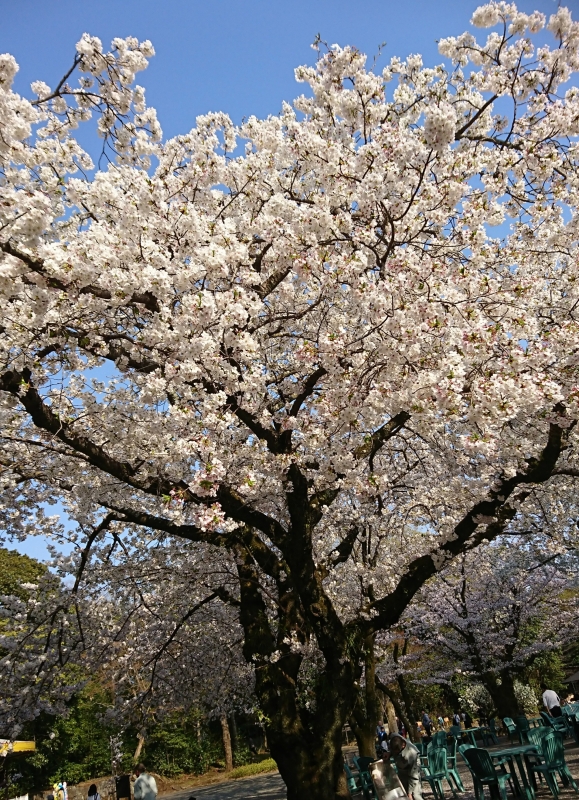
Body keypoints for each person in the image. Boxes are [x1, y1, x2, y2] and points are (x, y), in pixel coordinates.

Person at [389, 733, 423, 800]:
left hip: (412, 772)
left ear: (403, 745)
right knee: (402, 794)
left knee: (415, 795)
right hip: (402, 771)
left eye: (397, 752)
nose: (395, 754)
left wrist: (410, 793)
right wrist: (389, 753)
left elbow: (414, 776)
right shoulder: (394, 737)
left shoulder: (412, 754)